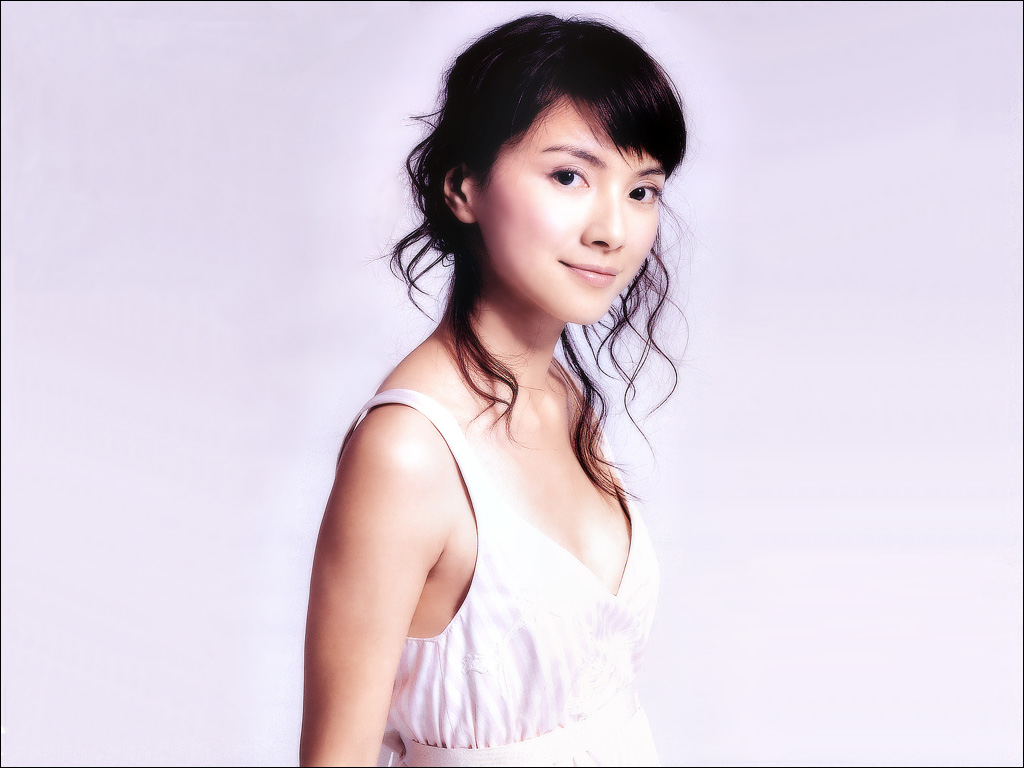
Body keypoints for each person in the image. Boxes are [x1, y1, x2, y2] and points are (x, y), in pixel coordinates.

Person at [300, 12, 688, 767]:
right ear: (463, 188)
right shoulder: (407, 453)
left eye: (643, 190)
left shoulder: (565, 402)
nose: (613, 229)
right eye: (569, 176)